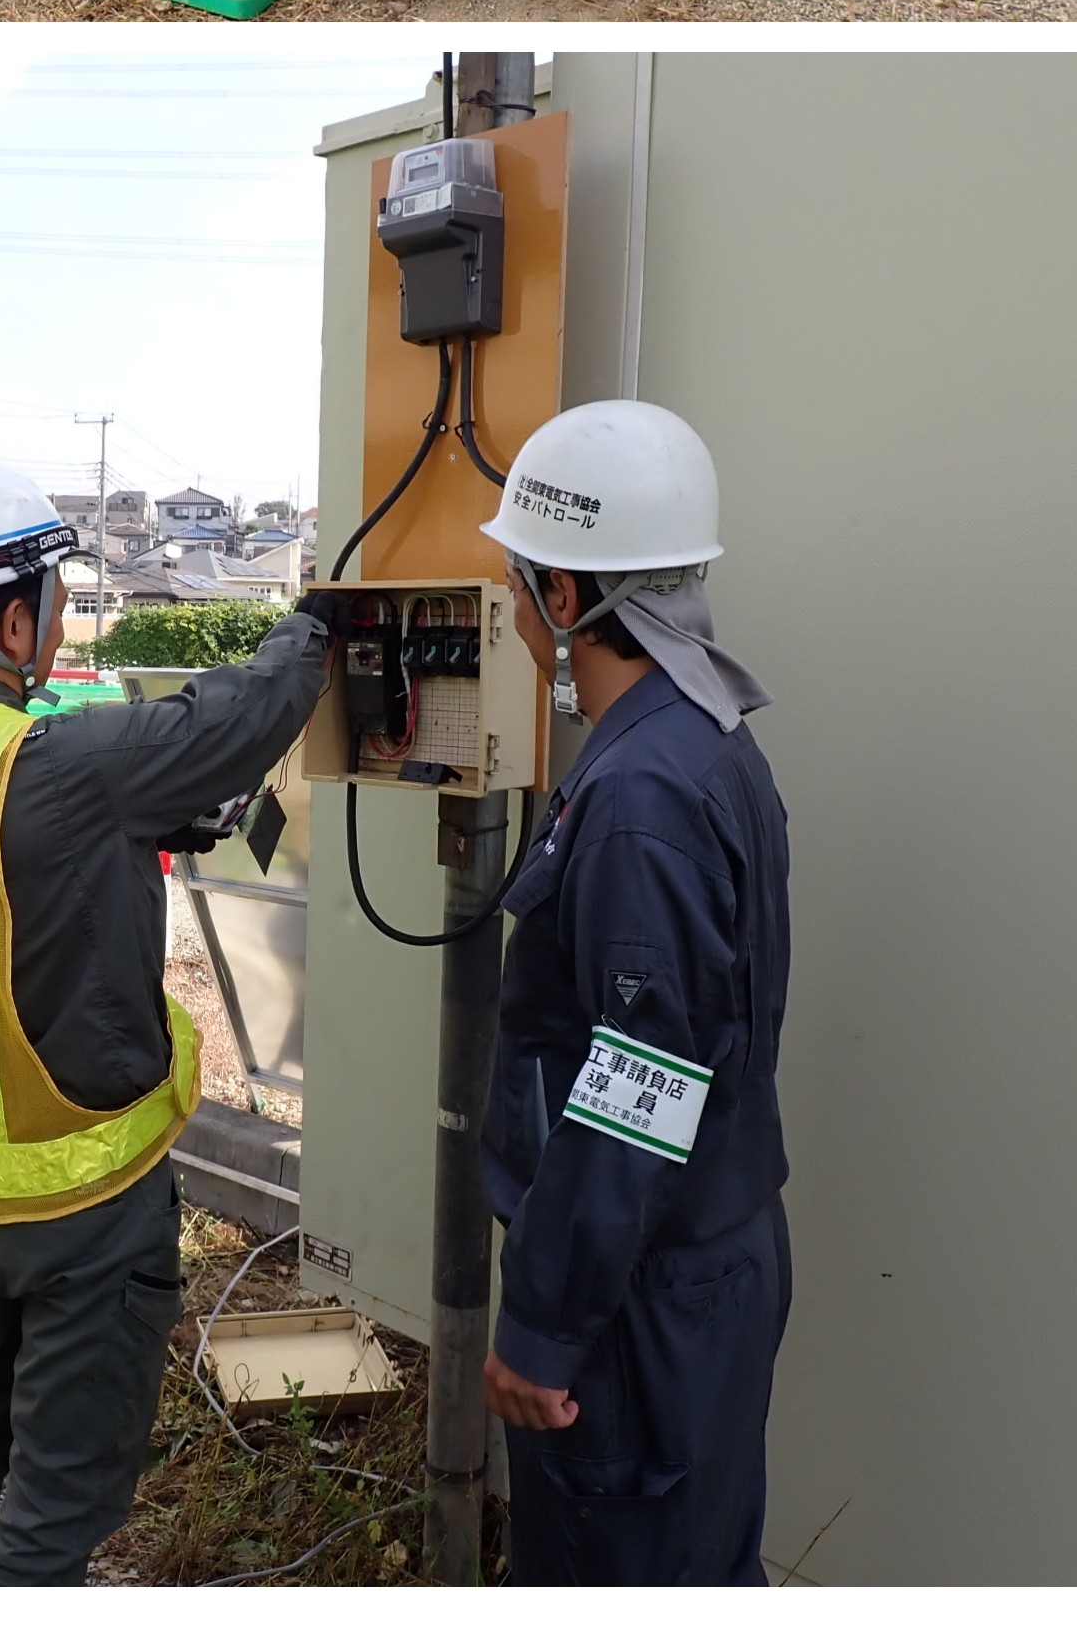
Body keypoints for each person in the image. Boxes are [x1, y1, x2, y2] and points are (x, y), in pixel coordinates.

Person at [0, 461, 328, 1583]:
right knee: (59, 1501)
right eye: (56, 596)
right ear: (14, 616)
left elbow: (0, 913)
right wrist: (318, 624)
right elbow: (241, 714)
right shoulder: (61, 760)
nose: (62, 617)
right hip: (90, 1209)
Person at [476, 401, 791, 1588]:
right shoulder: (701, 741)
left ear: (565, 599)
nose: (510, 610)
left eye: (518, 582)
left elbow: (640, 1087)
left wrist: (546, 1324)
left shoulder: (641, 797)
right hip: (691, 1260)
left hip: (636, 1298)